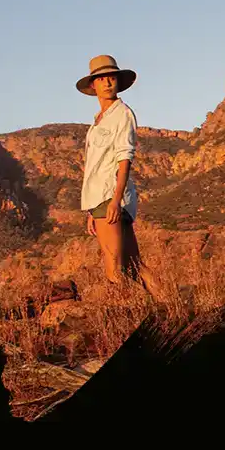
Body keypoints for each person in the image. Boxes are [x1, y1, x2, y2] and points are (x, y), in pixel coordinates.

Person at [76, 54, 149, 288]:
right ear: (93, 84)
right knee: (136, 266)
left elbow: (124, 159)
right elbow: (96, 166)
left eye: (112, 78)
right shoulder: (98, 120)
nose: (107, 82)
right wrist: (91, 210)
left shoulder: (122, 114)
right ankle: (171, 308)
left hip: (110, 196)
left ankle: (125, 317)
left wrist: (115, 201)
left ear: (118, 82)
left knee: (113, 268)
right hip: (100, 198)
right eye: (102, 78)